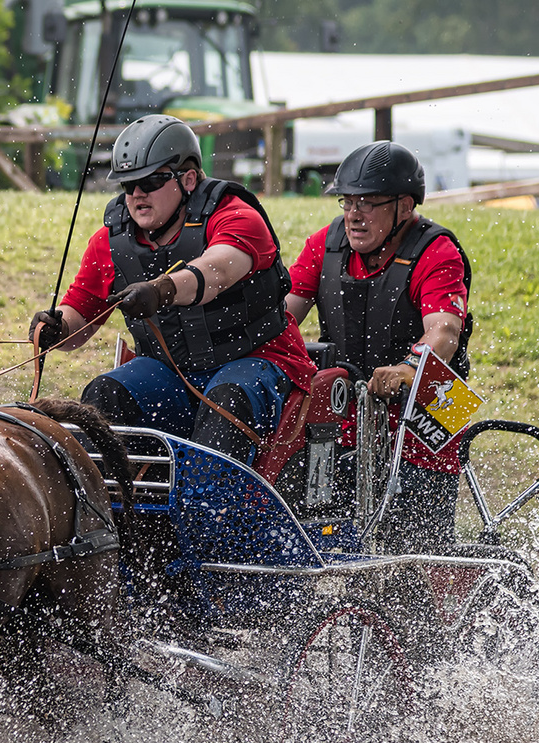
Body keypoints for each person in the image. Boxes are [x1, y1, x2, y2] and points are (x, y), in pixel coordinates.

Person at [31, 114, 316, 463]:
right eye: (127, 185)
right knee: (104, 394)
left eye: (149, 181)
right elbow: (81, 316)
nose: (136, 195)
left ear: (189, 179)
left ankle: (207, 514)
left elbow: (219, 271)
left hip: (258, 360)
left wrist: (160, 290)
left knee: (226, 398)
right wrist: (57, 327)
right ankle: (110, 511)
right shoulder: (109, 242)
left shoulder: (237, 216)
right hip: (168, 372)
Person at [282, 140, 474, 551]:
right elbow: (282, 319)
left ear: (404, 207)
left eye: (367, 203)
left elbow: (444, 332)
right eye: (347, 202)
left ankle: (423, 580)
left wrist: (408, 368)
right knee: (312, 510)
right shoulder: (323, 245)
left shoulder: (438, 251)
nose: (354, 215)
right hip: (349, 395)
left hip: (432, 400)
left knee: (416, 537)